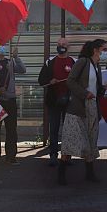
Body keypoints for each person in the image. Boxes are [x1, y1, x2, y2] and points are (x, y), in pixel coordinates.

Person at [58, 39, 107, 185]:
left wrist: (103, 89)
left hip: (92, 106)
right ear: (96, 50)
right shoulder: (83, 62)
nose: (106, 52)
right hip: (78, 107)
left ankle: (90, 173)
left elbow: (95, 86)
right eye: (104, 49)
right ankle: (61, 173)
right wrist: (84, 93)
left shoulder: (97, 66)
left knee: (91, 140)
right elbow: (70, 81)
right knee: (71, 141)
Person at [38, 37, 75, 166]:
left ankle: (67, 155)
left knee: (68, 129)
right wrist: (50, 81)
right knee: (53, 129)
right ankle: (53, 155)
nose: (61, 46)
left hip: (69, 102)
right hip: (54, 101)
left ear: (68, 47)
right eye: (59, 44)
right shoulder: (50, 62)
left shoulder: (74, 62)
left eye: (63, 44)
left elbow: (80, 81)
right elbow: (41, 80)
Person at [0, 44, 26, 165]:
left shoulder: (10, 62)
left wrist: (16, 58)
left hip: (10, 100)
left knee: (11, 129)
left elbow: (22, 70)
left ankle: (11, 156)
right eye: (0, 47)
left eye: (4, 47)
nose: (3, 49)